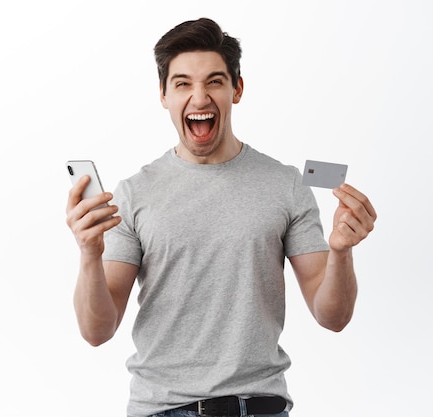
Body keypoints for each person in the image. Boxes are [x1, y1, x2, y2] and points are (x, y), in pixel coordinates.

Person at [66, 17, 377, 417]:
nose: (199, 98)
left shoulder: (285, 185)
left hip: (260, 407)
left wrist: (341, 251)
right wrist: (89, 254)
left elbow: (332, 316)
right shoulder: (133, 193)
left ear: (237, 89)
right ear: (163, 94)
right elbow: (96, 331)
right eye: (182, 84)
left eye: (214, 81)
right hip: (162, 409)